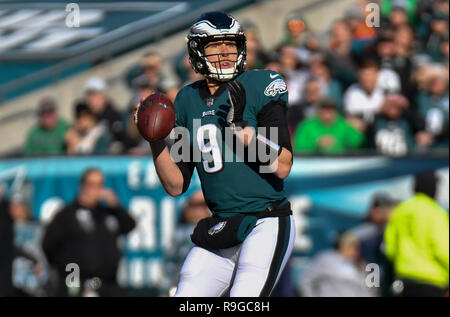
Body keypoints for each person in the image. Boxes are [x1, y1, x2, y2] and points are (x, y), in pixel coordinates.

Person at [137, 12, 295, 297]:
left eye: (230, 44)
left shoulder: (262, 84)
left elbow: (283, 165)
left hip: (266, 221)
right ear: (197, 51)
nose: (224, 52)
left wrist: (243, 132)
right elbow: (175, 185)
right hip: (222, 224)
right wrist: (155, 141)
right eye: (214, 45)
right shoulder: (186, 99)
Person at [42, 168, 136, 297]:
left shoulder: (107, 214)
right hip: (76, 283)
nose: (96, 190)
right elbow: (48, 245)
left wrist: (116, 206)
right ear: (83, 186)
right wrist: (69, 269)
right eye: (92, 185)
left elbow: (129, 226)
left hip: (107, 284)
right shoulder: (67, 214)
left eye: (100, 185)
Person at [384, 170, 449, 297]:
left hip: (403, 282)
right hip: (431, 283)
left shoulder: (400, 211)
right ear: (433, 188)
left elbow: (390, 249)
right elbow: (443, 250)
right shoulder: (435, 212)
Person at [299, 232, 375, 297]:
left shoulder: (361, 264)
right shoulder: (327, 259)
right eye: (351, 245)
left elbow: (368, 290)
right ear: (342, 245)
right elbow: (306, 281)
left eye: (357, 246)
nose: (355, 249)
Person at [293, 98, 365, 154]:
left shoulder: (343, 124)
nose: (327, 112)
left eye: (330, 108)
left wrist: (337, 143)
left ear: (336, 111)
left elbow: (358, 142)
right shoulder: (307, 125)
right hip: (313, 164)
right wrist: (316, 143)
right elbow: (298, 146)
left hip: (339, 164)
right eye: (324, 108)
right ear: (319, 110)